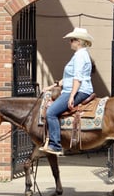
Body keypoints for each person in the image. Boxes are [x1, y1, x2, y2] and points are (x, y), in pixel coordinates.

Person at [39, 27, 94, 156]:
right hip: (73, 89)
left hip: (78, 90)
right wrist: (52, 87)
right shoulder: (79, 55)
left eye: (72, 40)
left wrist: (72, 96)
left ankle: (55, 145)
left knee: (51, 113)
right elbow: (69, 77)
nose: (70, 42)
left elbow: (77, 78)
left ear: (79, 42)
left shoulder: (80, 56)